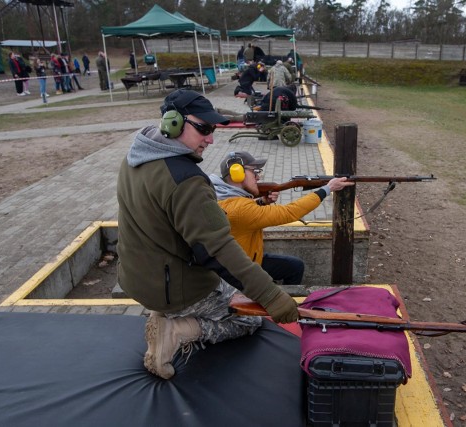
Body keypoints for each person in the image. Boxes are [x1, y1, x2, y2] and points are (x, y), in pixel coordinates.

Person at [116, 89, 298, 380]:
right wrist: (271, 295)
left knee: (234, 293)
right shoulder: (187, 180)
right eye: (203, 128)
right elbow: (217, 250)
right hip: (172, 289)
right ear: (173, 123)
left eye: (212, 129)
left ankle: (167, 315)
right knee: (250, 318)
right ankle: (178, 329)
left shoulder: (135, 157)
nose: (210, 139)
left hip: (135, 278)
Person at [209, 152, 354, 285]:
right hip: (239, 273)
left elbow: (242, 210)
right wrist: (327, 189)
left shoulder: (220, 197)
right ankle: (284, 305)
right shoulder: (240, 209)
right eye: (254, 172)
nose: (258, 177)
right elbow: (289, 212)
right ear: (237, 174)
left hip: (237, 262)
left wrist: (261, 202)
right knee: (295, 267)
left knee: (293, 266)